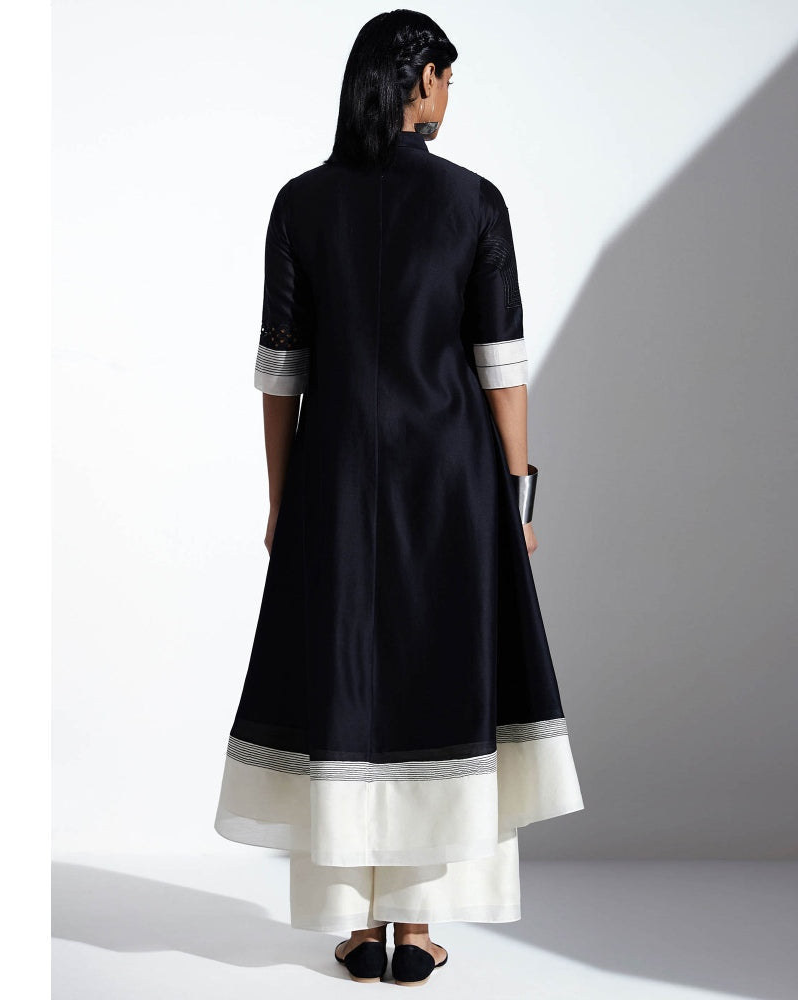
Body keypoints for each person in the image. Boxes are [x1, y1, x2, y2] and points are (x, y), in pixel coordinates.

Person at [213, 10, 584, 987]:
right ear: (420, 78)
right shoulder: (473, 201)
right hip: (453, 478)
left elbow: (280, 376)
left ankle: (353, 921)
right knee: (437, 680)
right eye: (447, 78)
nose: (449, 96)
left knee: (345, 683)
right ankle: (414, 927)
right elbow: (500, 368)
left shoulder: (300, 202)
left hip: (334, 475)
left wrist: (281, 500)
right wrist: (518, 498)